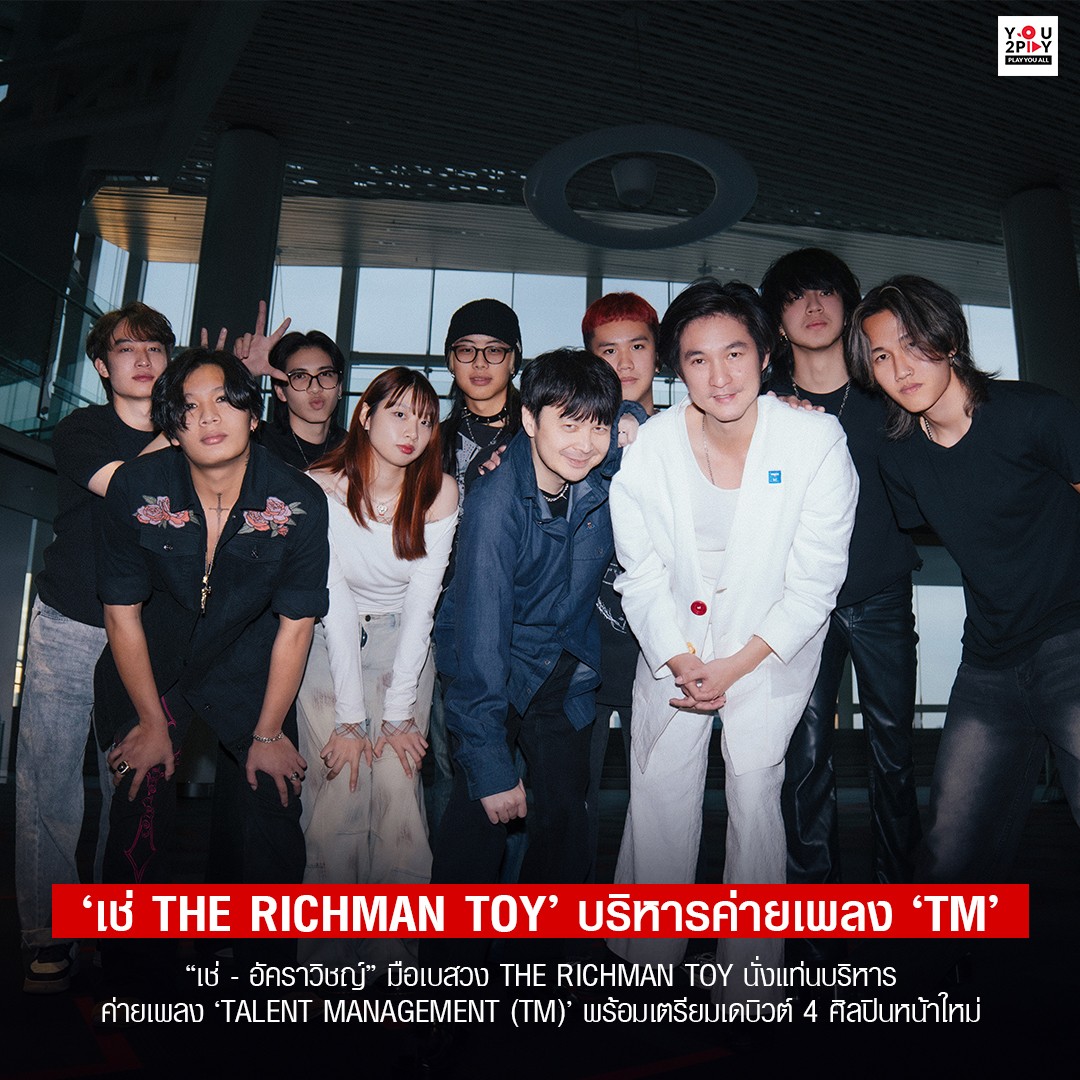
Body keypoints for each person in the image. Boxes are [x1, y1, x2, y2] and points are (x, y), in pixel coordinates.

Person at [606, 280, 857, 1001]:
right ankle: (644, 959)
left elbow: (815, 583)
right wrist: (682, 659)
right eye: (697, 359)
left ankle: (750, 980)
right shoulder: (651, 447)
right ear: (676, 370)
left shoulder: (813, 440)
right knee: (658, 793)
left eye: (735, 353)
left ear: (766, 354)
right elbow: (639, 573)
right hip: (673, 649)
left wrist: (734, 666)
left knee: (755, 798)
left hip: (765, 650)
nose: (719, 376)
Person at [94, 348, 328, 994]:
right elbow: (121, 612)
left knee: (271, 802)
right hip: (156, 658)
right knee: (141, 795)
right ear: (172, 428)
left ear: (253, 414)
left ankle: (264, 970)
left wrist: (269, 732)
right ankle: (135, 976)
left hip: (248, 660)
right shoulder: (136, 488)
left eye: (224, 400)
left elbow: (296, 624)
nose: (208, 417)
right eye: (190, 407)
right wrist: (150, 722)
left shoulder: (297, 499)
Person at [849, 275, 1080, 885]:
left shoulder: (1035, 413)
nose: (900, 368)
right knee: (948, 859)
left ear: (948, 339)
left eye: (912, 344)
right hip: (989, 662)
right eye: (881, 356)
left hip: (1071, 639)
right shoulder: (900, 456)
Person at [428, 348, 629, 963]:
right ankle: (445, 977)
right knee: (478, 821)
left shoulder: (599, 472)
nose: (585, 443)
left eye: (598, 426)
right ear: (529, 419)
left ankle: (546, 962)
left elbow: (672, 439)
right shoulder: (495, 506)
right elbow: (480, 642)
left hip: (561, 667)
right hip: (491, 667)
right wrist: (490, 763)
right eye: (568, 424)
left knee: (566, 821)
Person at [16, 301, 175, 993]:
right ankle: (48, 931)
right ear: (103, 366)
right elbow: (125, 487)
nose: (142, 360)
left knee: (130, 789)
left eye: (155, 349)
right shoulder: (83, 429)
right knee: (49, 784)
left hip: (143, 632)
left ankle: (119, 931)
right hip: (69, 621)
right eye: (126, 349)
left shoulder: (188, 433)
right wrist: (191, 420)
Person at [760, 248, 922, 892]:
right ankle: (810, 916)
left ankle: (901, 903)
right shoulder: (764, 407)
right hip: (799, 605)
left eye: (825, 291)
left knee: (895, 758)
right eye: (795, 296)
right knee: (804, 762)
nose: (813, 306)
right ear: (777, 320)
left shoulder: (889, 395)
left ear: (849, 305)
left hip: (881, 593)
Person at [297, 367, 457, 971]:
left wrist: (396, 714)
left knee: (397, 791)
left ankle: (392, 961)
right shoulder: (320, 487)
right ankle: (325, 962)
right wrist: (349, 718)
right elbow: (333, 600)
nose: (413, 430)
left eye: (426, 419)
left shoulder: (438, 492)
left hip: (403, 646)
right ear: (365, 415)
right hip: (326, 639)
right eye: (399, 413)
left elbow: (422, 607)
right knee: (337, 791)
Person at [427, 298, 525, 840]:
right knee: (454, 769)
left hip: (526, 624)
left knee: (528, 778)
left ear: (515, 357)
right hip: (449, 627)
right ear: (450, 359)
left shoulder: (538, 436)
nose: (480, 362)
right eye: (466, 350)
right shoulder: (429, 441)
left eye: (495, 350)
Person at [580, 291, 660, 875]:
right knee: (569, 808)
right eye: (609, 351)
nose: (625, 362)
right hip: (582, 650)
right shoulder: (572, 441)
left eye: (638, 346)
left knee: (658, 811)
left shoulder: (686, 434)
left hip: (657, 652)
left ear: (659, 353)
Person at [258, 329, 348, 471]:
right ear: (280, 391)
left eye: (325, 374)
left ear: (340, 387)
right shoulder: (258, 443)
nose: (315, 388)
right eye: (300, 376)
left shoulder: (353, 450)